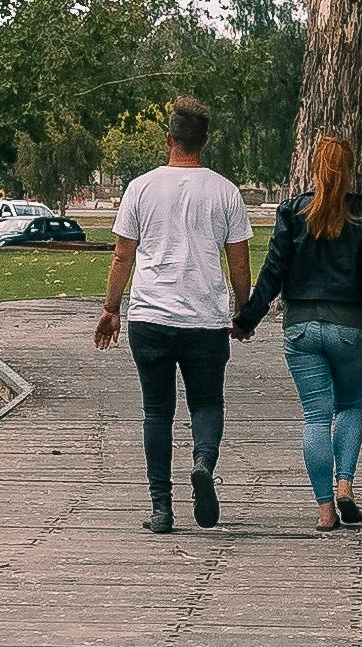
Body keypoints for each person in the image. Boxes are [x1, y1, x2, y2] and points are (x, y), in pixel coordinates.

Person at [233, 132, 362, 531]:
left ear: (315, 167)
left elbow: (273, 271)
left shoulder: (292, 213)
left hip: (301, 328)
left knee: (316, 415)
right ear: (348, 171)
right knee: (348, 406)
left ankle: (325, 510)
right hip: (349, 326)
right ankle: (346, 483)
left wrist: (246, 321)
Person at [95, 97, 252, 533]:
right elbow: (238, 260)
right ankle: (203, 461)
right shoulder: (225, 191)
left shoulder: (140, 188)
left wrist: (111, 309)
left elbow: (122, 256)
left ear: (169, 139)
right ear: (204, 140)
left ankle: (161, 509)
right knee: (206, 402)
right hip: (204, 318)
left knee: (156, 411)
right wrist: (243, 310)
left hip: (151, 317)